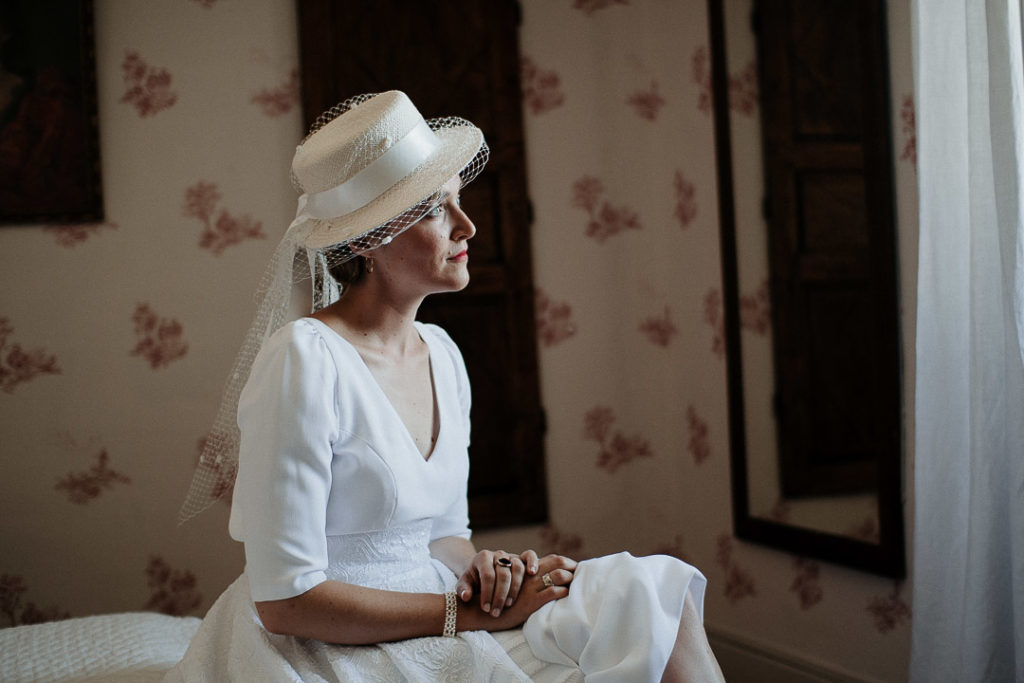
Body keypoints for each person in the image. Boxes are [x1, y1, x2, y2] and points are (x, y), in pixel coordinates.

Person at [167, 90, 724, 682]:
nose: (468, 225)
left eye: (459, 200)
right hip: (330, 641)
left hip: (441, 605)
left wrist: (490, 570)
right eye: (436, 209)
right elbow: (284, 603)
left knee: (649, 587)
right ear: (364, 241)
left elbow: (443, 536)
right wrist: (462, 616)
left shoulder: (444, 355)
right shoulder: (305, 360)